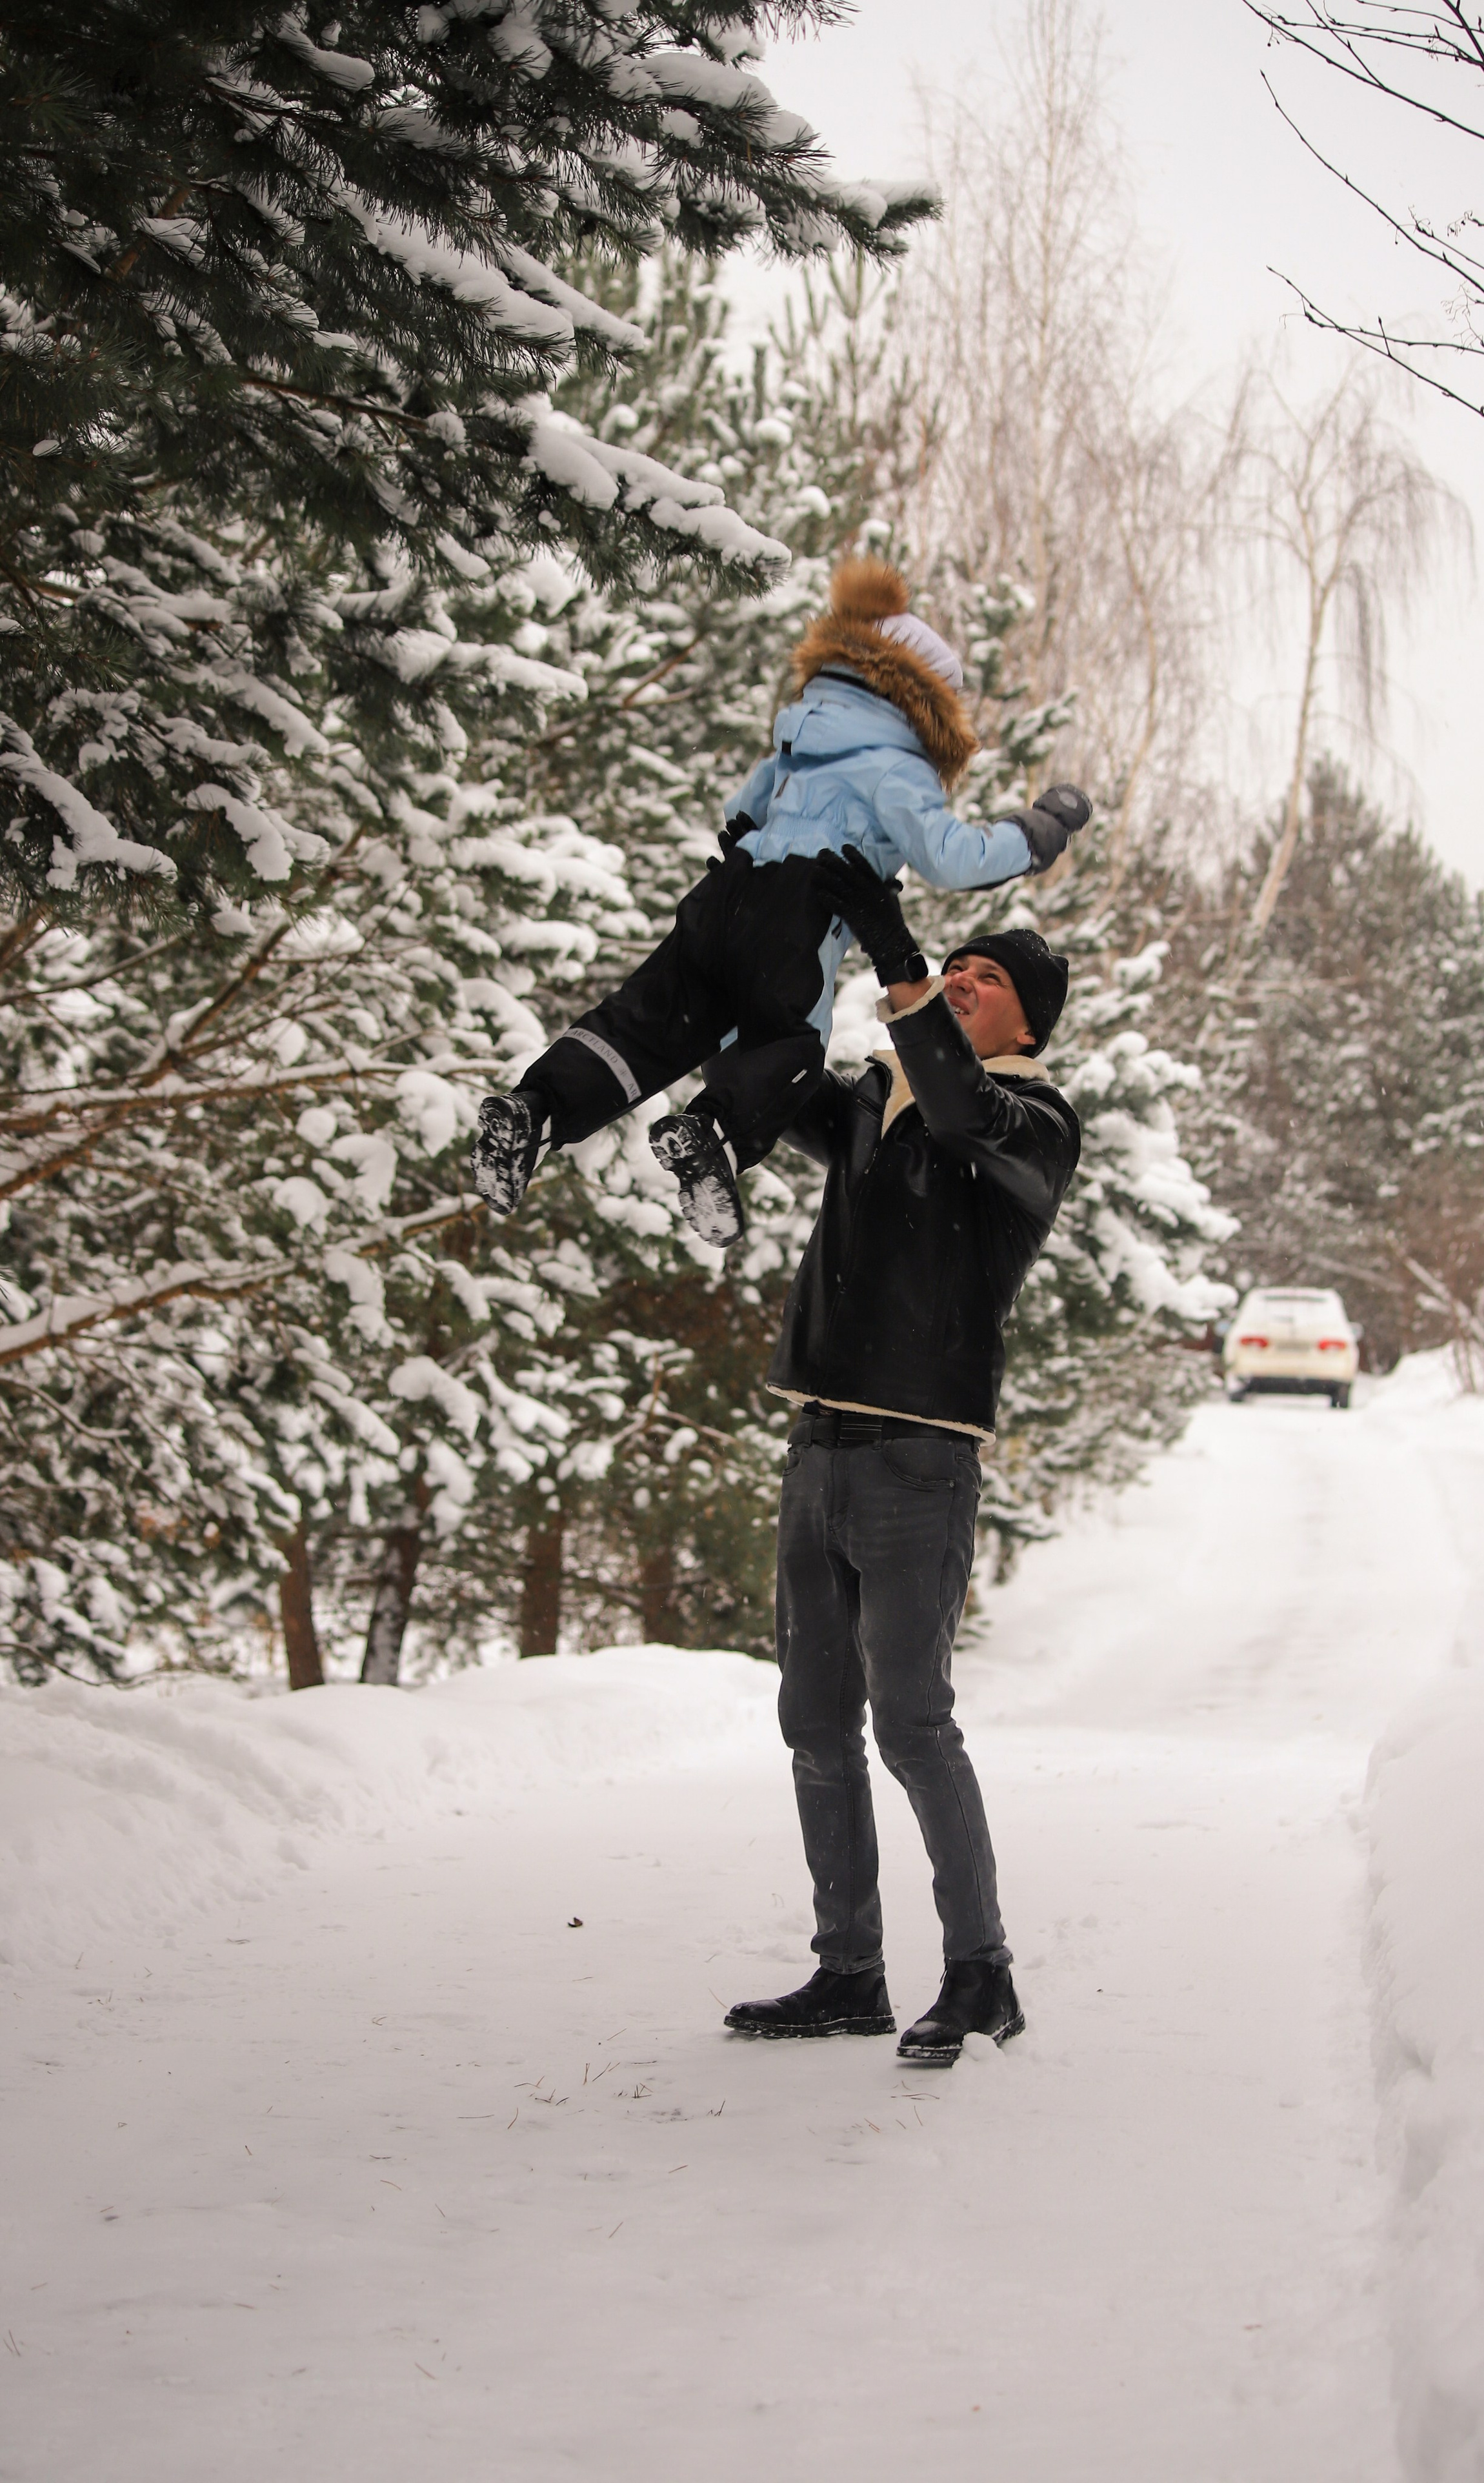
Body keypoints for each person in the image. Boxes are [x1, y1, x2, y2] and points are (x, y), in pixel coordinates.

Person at [723, 861, 1081, 2067]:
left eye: (987, 981)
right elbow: (780, 1081)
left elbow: (964, 1106)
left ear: (1024, 1022)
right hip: (818, 1443)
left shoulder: (1034, 1123)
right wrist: (769, 962)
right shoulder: (880, 1101)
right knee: (814, 1723)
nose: (963, 984)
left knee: (912, 1722)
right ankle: (849, 1972)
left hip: (919, 1461)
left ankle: (981, 1970)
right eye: (957, 968)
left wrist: (907, 974)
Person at [468, 556, 1091, 1245]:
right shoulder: (897, 765)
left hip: (727, 885)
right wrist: (1034, 836)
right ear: (925, 704)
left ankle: (534, 1110)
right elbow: (951, 857)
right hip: (802, 904)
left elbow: (742, 811)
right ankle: (714, 1136)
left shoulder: (799, 744)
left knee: (648, 1022)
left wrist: (747, 850)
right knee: (788, 1043)